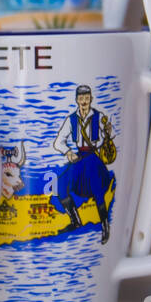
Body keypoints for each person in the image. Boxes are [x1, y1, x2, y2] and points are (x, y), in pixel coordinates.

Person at [52, 85, 115, 243]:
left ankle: (105, 226)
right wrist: (68, 152)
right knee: (60, 185)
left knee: (97, 190)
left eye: (87, 98)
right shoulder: (71, 119)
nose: (84, 102)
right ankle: (75, 221)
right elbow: (58, 142)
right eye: (81, 99)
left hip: (93, 159)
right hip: (79, 158)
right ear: (76, 100)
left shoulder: (99, 117)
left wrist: (107, 132)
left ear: (91, 99)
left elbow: (109, 137)